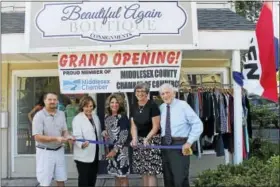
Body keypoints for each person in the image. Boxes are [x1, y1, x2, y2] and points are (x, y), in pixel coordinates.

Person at [159, 83, 203, 187]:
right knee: (168, 179)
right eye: (162, 94)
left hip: (180, 146)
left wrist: (189, 142)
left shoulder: (183, 105)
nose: (165, 96)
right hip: (165, 145)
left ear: (174, 93)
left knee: (180, 180)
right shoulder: (161, 107)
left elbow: (198, 124)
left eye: (167, 92)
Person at [32, 92, 74, 187]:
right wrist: (55, 138)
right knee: (45, 182)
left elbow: (64, 131)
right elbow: (37, 137)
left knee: (61, 178)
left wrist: (68, 136)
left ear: (57, 101)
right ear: (44, 101)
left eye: (54, 100)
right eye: (50, 99)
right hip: (45, 152)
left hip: (59, 151)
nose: (52, 101)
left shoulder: (62, 114)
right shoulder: (39, 116)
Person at [130, 82, 162, 187]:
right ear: (135, 93)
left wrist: (147, 138)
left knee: (151, 172)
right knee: (143, 171)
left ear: (147, 93)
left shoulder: (153, 105)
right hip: (139, 141)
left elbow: (156, 126)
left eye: (143, 91)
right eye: (138, 91)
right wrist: (134, 139)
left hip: (152, 140)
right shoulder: (133, 106)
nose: (140, 93)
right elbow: (133, 125)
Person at [72, 95, 103, 187]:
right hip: (83, 155)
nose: (89, 108)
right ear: (82, 107)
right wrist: (82, 144)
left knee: (92, 178)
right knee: (84, 180)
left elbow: (98, 133)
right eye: (86, 106)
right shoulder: (77, 119)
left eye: (91, 106)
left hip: (95, 153)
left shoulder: (95, 117)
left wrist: (103, 133)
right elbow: (76, 136)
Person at [102, 93, 130, 187]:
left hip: (121, 151)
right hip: (111, 150)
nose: (114, 104)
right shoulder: (107, 117)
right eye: (112, 102)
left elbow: (124, 135)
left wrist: (115, 150)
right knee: (116, 176)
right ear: (109, 104)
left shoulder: (122, 117)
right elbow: (108, 132)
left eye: (117, 102)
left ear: (120, 104)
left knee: (122, 177)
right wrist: (104, 132)